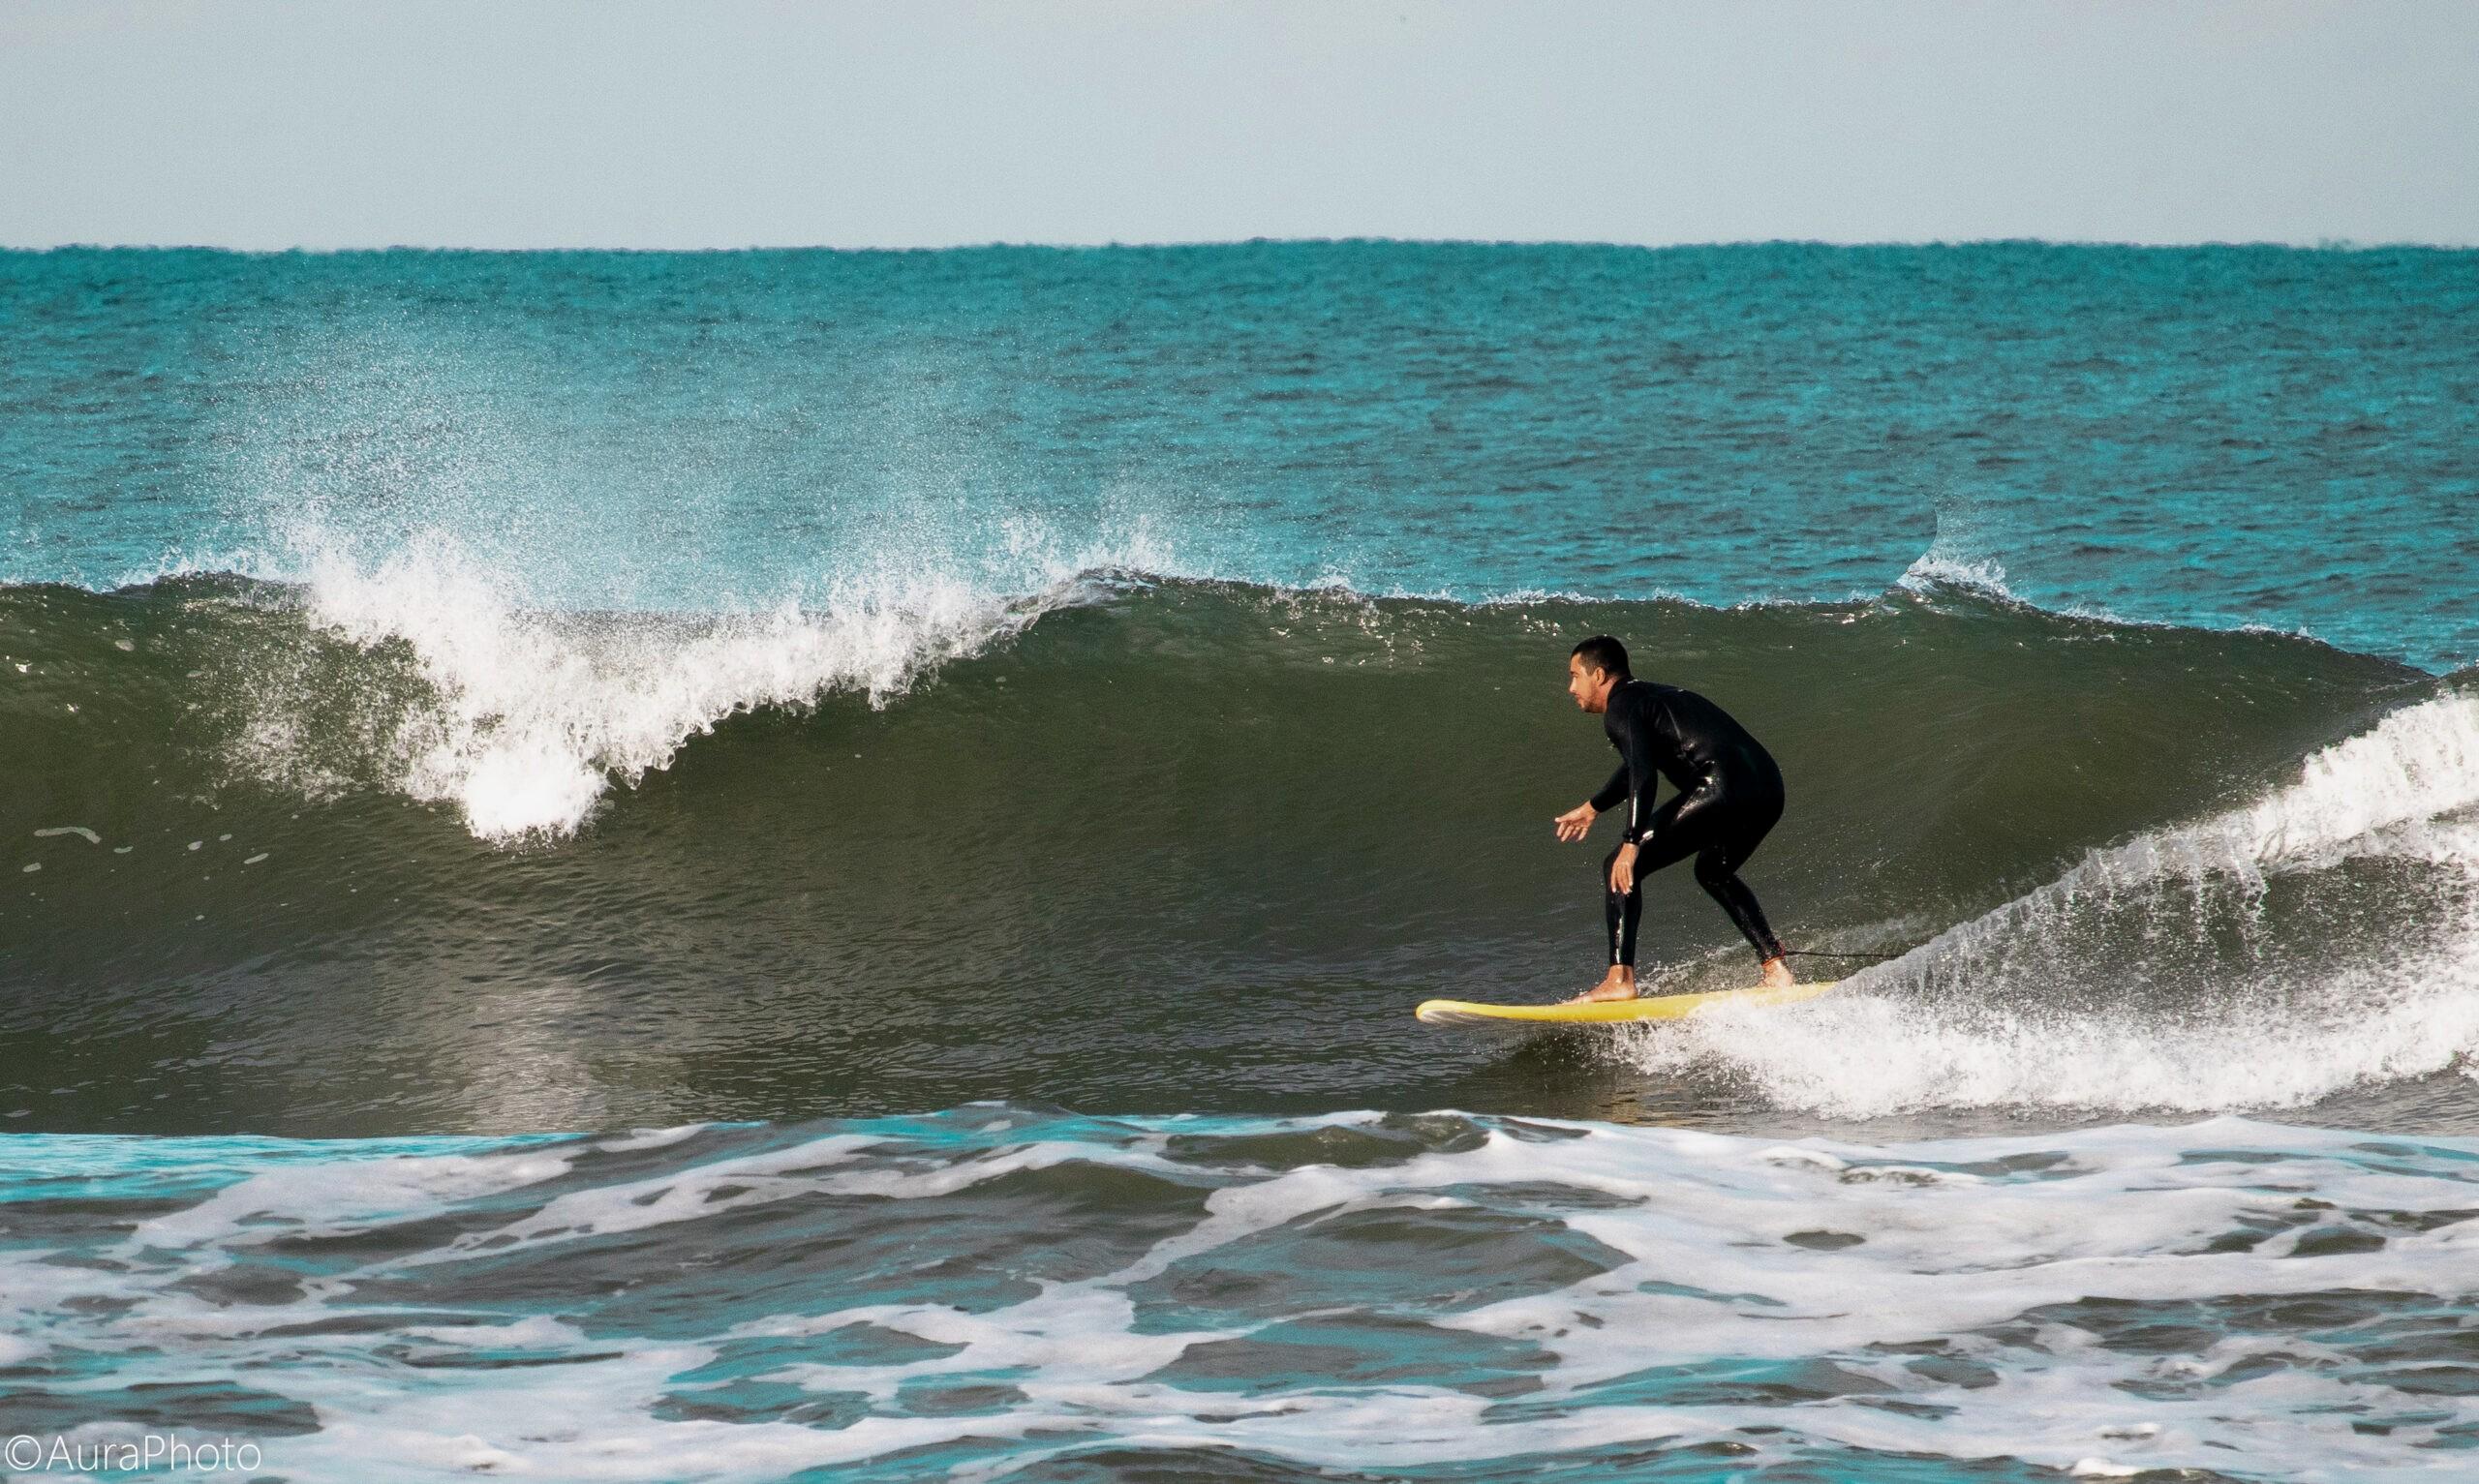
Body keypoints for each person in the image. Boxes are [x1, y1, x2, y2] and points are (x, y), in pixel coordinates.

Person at [1552, 635, 1792, 1002]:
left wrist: (1631, 844)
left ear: (1598, 675)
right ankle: (1775, 966)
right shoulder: (1654, 698)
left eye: (1574, 676)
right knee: (1713, 871)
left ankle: (1620, 979)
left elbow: (1643, 776)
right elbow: (1638, 765)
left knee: (1616, 867)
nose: (1571, 688)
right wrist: (1593, 806)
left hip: (1720, 787)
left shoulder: (1622, 708)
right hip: (1768, 788)